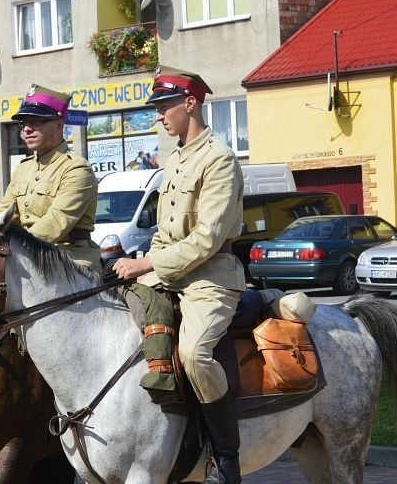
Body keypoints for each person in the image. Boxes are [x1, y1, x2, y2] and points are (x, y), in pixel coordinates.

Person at [112, 66, 245, 484]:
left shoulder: (219, 159)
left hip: (210, 278)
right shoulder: (175, 160)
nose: (158, 116)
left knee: (193, 354)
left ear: (190, 104)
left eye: (164, 106)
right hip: (168, 274)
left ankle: (227, 458)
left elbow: (208, 237)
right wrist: (138, 259)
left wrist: (148, 264)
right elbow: (168, 231)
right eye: (156, 108)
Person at [0, 84, 101, 273]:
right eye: (23, 123)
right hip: (27, 257)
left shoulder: (75, 168)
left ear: (59, 125)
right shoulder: (23, 168)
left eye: (35, 121)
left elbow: (57, 221)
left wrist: (17, 250)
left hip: (71, 258)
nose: (26, 129)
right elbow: (4, 214)